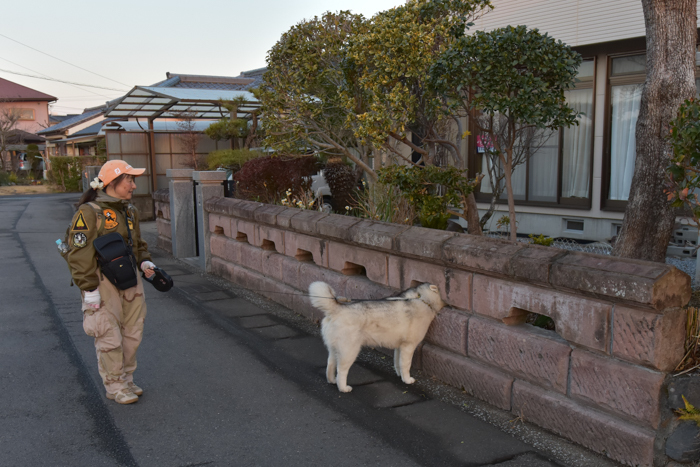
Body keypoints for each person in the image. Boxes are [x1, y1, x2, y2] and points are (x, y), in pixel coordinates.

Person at [65, 160, 156, 405]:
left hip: (130, 279)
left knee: (132, 332)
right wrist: (89, 288)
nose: (134, 186)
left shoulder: (129, 211)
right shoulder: (89, 212)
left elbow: (137, 245)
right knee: (108, 332)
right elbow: (78, 252)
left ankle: (126, 378)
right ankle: (114, 385)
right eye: (129, 181)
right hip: (102, 281)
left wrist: (145, 263)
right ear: (113, 182)